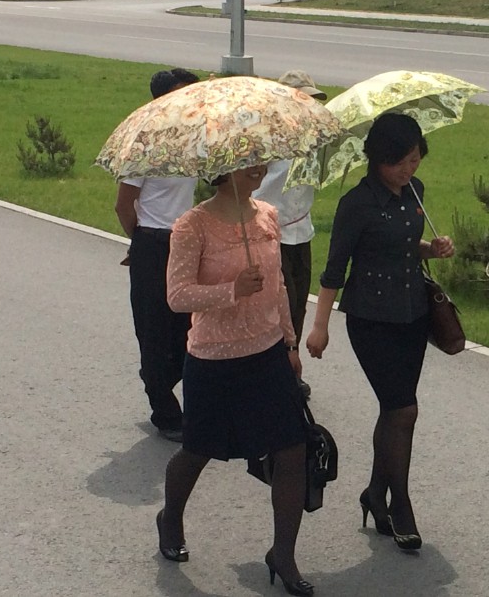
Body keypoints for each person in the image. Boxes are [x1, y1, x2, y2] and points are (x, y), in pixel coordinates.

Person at [157, 165, 314, 597]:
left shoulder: (267, 215)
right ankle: (170, 518)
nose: (260, 167)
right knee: (198, 451)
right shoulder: (192, 225)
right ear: (224, 171)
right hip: (213, 358)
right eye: (249, 161)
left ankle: (283, 553)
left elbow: (279, 285)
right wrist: (232, 289)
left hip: (267, 354)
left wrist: (289, 342)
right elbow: (177, 296)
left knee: (293, 449)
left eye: (261, 158)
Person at [305, 113, 455, 552]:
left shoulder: (416, 194)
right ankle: (400, 502)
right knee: (404, 409)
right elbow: (334, 270)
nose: (410, 169)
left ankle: (374, 494)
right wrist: (319, 328)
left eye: (415, 160)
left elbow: (408, 246)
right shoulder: (357, 204)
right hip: (371, 319)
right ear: (379, 160)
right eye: (402, 162)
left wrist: (434, 248)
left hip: (412, 314)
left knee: (395, 411)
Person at [114, 67, 200, 443]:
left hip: (188, 242)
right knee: (153, 328)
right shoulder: (143, 144)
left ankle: (159, 377)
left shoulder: (194, 140)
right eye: (184, 95)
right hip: (152, 242)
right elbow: (123, 205)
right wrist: (140, 242)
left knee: (190, 328)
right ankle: (164, 410)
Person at [252, 70, 328, 401]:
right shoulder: (265, 139)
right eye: (302, 98)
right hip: (271, 233)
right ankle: (275, 373)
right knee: (282, 304)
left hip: (302, 231)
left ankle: (289, 370)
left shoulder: (313, 138)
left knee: (298, 306)